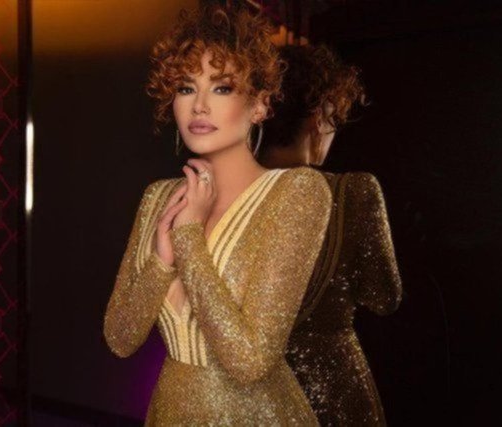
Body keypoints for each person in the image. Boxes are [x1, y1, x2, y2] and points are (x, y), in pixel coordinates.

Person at [103, 6, 332, 425]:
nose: (199, 106)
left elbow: (249, 361)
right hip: (171, 411)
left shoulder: (298, 193)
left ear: (259, 105)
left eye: (222, 88)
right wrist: (161, 261)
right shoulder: (158, 198)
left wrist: (189, 237)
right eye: (186, 88)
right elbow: (120, 339)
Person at [260, 44, 403, 426]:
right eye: (334, 117)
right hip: (332, 388)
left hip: (247, 390)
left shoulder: (224, 193)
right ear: (318, 115)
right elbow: (384, 297)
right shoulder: (353, 192)